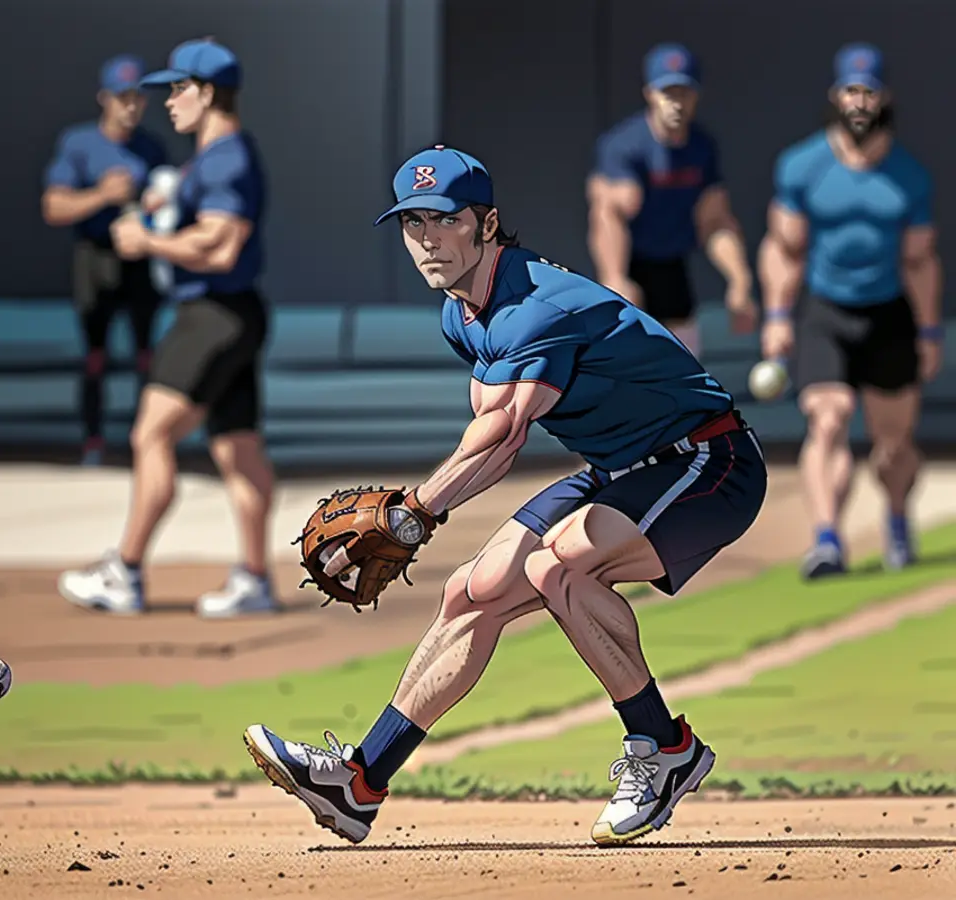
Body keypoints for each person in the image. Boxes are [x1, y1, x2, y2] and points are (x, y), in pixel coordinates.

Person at [242, 146, 768, 845]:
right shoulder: (461, 314)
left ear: (487, 224)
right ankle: (358, 784)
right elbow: (497, 449)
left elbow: (502, 430)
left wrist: (416, 511)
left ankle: (664, 748)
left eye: (444, 220)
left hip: (710, 460)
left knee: (559, 567)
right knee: (474, 590)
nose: (426, 239)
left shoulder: (533, 306)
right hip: (621, 470)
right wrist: (423, 512)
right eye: (411, 224)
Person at [56, 39, 279, 619]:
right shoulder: (212, 158)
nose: (169, 102)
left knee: (150, 437)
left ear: (207, 93)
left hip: (211, 315)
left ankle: (124, 572)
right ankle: (254, 579)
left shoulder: (226, 156)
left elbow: (222, 245)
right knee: (239, 451)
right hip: (235, 314)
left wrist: (149, 240)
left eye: (178, 89)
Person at [758, 43, 942, 580]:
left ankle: (899, 519)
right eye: (851, 91)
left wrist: (929, 331)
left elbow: (921, 259)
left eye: (869, 91)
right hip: (826, 311)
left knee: (893, 444)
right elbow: (784, 248)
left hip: (888, 315)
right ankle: (827, 540)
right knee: (828, 418)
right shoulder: (802, 165)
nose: (860, 101)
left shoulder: (909, 177)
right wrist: (776, 317)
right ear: (837, 96)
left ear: (884, 97)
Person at [588, 43, 756, 357]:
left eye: (684, 93)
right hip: (630, 261)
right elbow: (607, 214)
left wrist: (739, 281)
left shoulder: (701, 148)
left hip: (672, 265)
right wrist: (615, 277)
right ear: (650, 93)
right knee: (628, 364)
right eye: (668, 93)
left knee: (684, 365)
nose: (676, 104)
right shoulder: (624, 146)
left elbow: (715, 220)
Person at [41, 55, 168, 467]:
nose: (130, 106)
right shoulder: (78, 143)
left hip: (139, 258)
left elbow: (163, 205)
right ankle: (93, 442)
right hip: (95, 258)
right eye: (121, 98)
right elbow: (53, 206)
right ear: (104, 99)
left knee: (146, 356)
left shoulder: (151, 148)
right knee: (95, 355)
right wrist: (101, 195)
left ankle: (145, 443)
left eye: (137, 98)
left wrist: (156, 207)